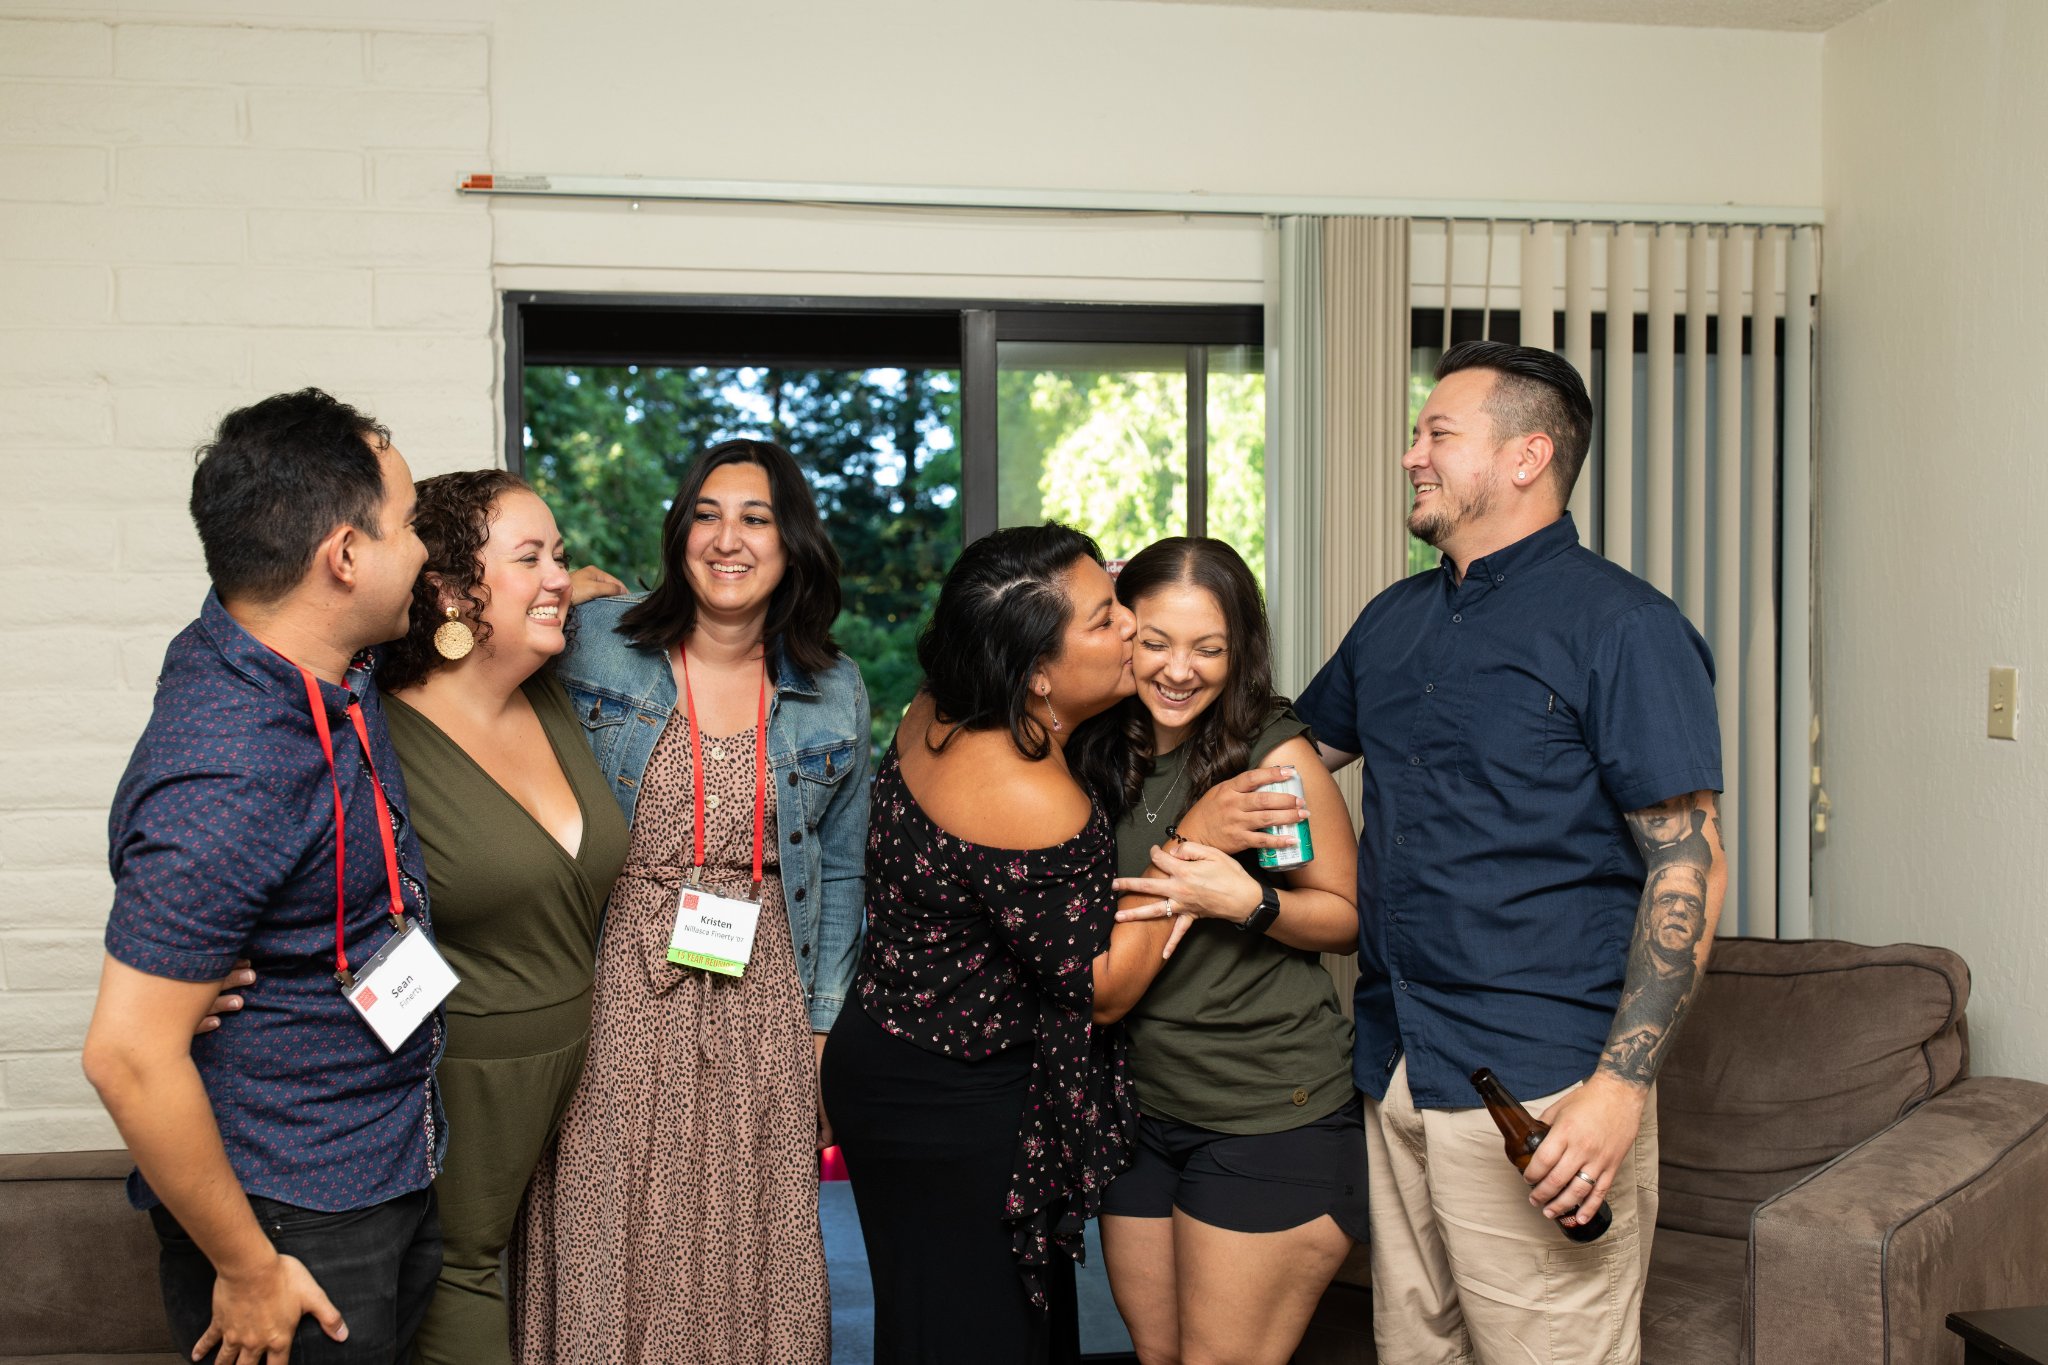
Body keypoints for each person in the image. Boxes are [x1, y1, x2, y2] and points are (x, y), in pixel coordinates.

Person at [1295, 340, 1728, 1365]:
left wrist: (1617, 1090)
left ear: (1526, 456)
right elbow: (1287, 766)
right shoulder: (1390, 621)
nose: (1411, 454)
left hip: (1543, 1084)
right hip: (1396, 1061)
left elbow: (1687, 866)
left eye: (1436, 433)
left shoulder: (1623, 627)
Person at [83, 389, 443, 1365]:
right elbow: (126, 1055)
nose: (422, 552)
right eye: (409, 527)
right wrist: (245, 1269)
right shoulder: (235, 762)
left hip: (381, 1153)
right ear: (343, 557)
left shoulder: (303, 654)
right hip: (293, 1210)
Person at [513, 438, 871, 1365]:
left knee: (748, 1240)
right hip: (612, 986)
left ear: (792, 542)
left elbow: (839, 871)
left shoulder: (835, 689)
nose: (728, 538)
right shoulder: (599, 638)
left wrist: (824, 1029)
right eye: (707, 513)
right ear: (680, 533)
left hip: (763, 1002)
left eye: (756, 518)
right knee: (609, 1225)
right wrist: (554, 590)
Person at [822, 522, 1172, 1365]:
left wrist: (1083, 596)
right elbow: (1106, 987)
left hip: (891, 1060)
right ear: (1038, 672)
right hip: (960, 1100)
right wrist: (1190, 853)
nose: (1130, 625)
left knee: (931, 1322)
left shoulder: (937, 706)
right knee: (979, 1334)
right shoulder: (1025, 792)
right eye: (1104, 619)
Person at [1074, 537, 1363, 1365]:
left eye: (1208, 648)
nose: (1178, 670)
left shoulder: (1269, 757)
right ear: (1121, 631)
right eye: (1156, 642)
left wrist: (1252, 902)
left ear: (1239, 653)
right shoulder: (1098, 745)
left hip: (1266, 1111)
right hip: (1141, 1110)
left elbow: (1346, 914)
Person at [375, 471, 631, 1365]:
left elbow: (606, 596)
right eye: (530, 556)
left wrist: (569, 583)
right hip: (461, 1082)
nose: (558, 572)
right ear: (448, 590)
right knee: (458, 1281)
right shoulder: (381, 736)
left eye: (559, 552)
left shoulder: (552, 694)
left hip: (572, 1073)